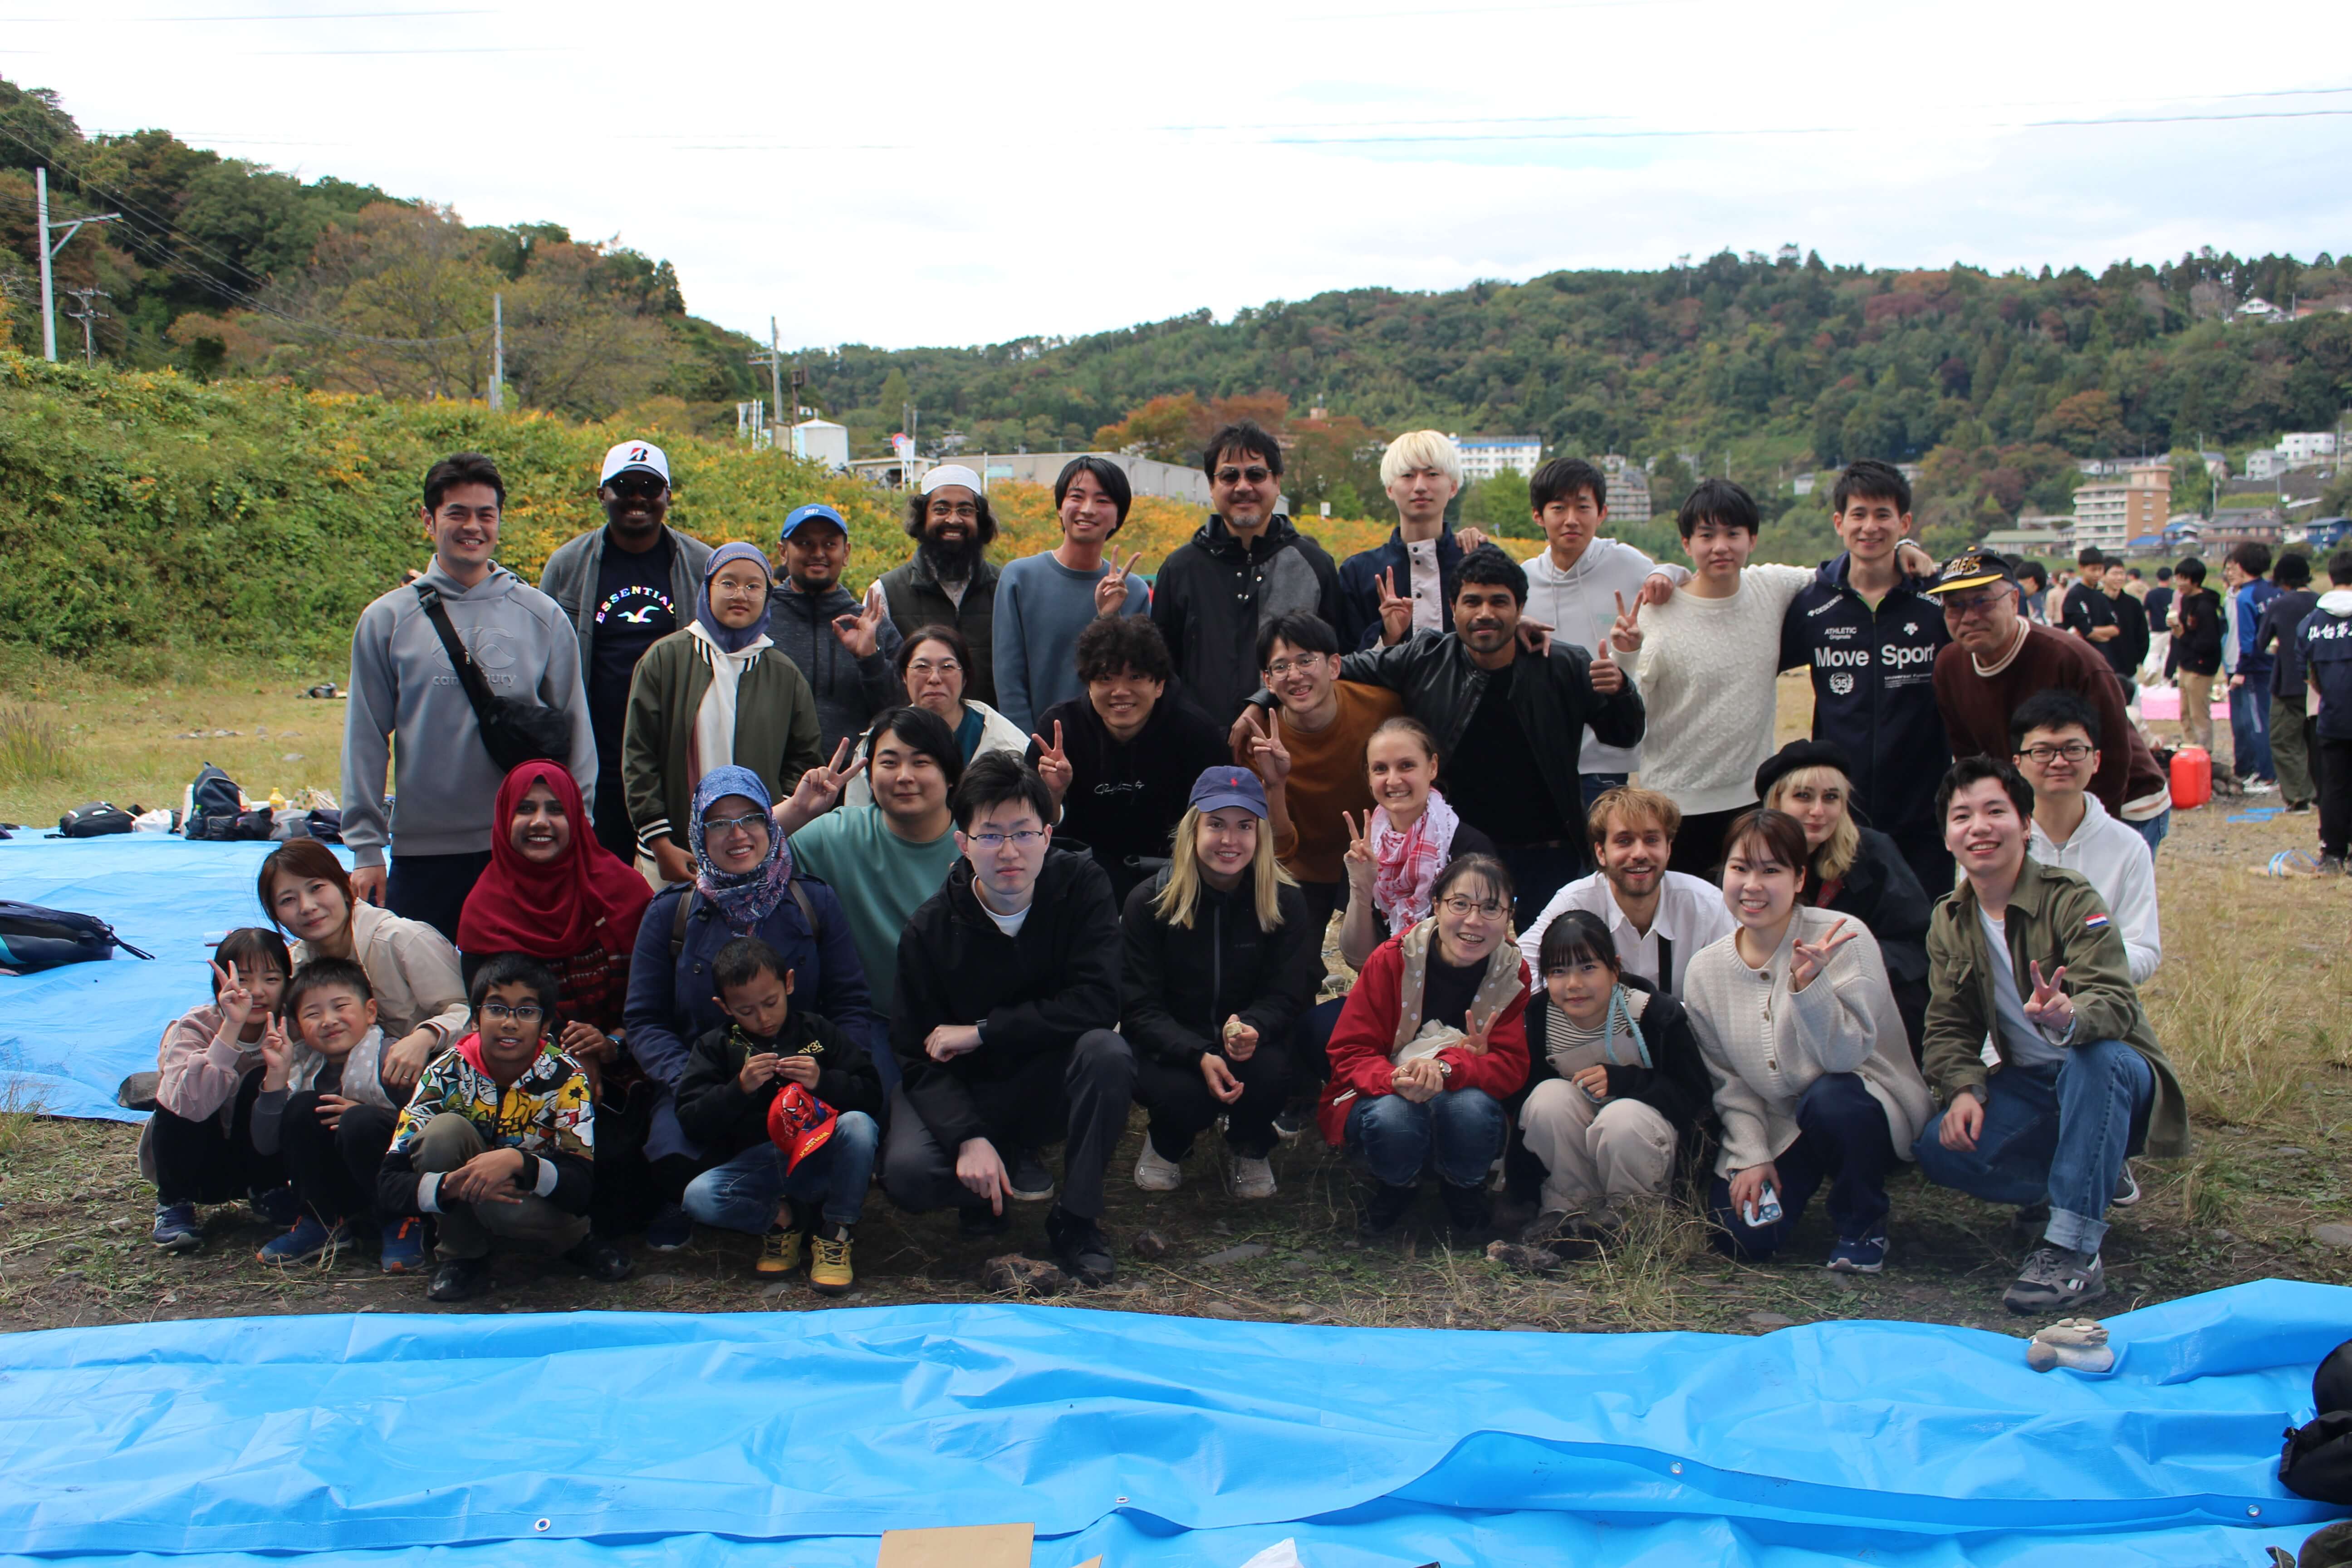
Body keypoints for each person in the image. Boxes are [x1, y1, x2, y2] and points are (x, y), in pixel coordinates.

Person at [1912, 757, 2188, 1314]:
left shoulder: (2071, 897)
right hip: (2033, 1084)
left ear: (2026, 824)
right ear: (1947, 837)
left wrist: (2069, 1017)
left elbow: (2114, 1002)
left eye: (1996, 811)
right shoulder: (1950, 918)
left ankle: (2073, 1253)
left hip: (2114, 1077)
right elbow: (1947, 1025)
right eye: (1962, 816)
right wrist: (1964, 1087)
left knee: (2095, 1060)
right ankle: (2078, 1182)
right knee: (1938, 1149)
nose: (1980, 827)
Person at [883, 755, 1134, 1286]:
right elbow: (914, 1053)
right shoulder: (929, 930)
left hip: (1050, 1073)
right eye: (991, 836)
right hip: (972, 1087)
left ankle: (1077, 1219)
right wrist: (967, 1136)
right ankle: (985, 1184)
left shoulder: (1082, 886)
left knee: (1108, 1054)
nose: (1010, 852)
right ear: (963, 844)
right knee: (909, 1176)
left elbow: (1099, 1003)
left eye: (1023, 833)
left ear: (1048, 834)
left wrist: (984, 1031)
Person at [342, 451, 598, 941]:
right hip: (423, 853)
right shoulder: (387, 621)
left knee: (517, 1001)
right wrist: (367, 849)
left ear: (500, 521)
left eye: (486, 515)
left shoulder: (541, 616)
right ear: (428, 520)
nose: (472, 527)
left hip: (523, 846)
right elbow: (366, 739)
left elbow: (577, 735)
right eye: (457, 513)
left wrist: (578, 831)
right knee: (423, 997)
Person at [1317, 546, 1645, 922]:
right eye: (1472, 602)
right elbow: (1331, 671)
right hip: (1453, 848)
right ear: (1453, 607)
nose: (1485, 614)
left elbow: (1625, 735)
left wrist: (1621, 689)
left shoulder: (1564, 664)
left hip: (1547, 850)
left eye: (1499, 602)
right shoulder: (1425, 657)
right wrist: (1262, 698)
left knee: (1545, 964)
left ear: (1520, 608)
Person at [623, 766, 877, 1250]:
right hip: (707, 1081)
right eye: (718, 824)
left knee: (851, 1134)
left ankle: (815, 1206)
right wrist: (696, 1081)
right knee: (676, 1152)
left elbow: (850, 1003)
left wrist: (831, 1069)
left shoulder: (812, 901)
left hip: (803, 1073)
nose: (737, 835)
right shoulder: (671, 914)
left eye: (750, 819)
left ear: (771, 823)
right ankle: (751, 1205)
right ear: (698, 833)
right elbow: (645, 1019)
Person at [1684, 809, 1932, 1273]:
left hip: (1860, 1097)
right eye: (1740, 868)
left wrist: (1810, 987)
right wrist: (1753, 1154)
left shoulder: (1843, 936)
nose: (1753, 885)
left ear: (1800, 878)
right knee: (1742, 1240)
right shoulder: (1704, 970)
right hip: (1781, 1118)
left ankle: (1863, 1222)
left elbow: (1846, 1056)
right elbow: (1729, 1084)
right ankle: (1798, 1179)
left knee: (1830, 1100)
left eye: (1771, 870)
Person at [377, 954, 631, 1303]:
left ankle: (574, 1243)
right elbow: (389, 1184)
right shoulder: (443, 1073)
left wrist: (517, 1162)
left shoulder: (567, 1077)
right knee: (443, 1131)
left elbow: (582, 1184)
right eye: (496, 1009)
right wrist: (450, 1185)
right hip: (460, 1198)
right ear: (475, 1018)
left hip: (529, 1203)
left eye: (526, 1011)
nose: (510, 1023)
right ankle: (461, 1256)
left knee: (557, 1207)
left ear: (545, 1026)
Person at [1123, 767, 1314, 1200]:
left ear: (1260, 835)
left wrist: (1254, 1027)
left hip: (1247, 1042)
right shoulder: (1148, 902)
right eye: (1216, 824)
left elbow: (1287, 994)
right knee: (1181, 1094)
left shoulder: (1286, 901)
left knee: (1270, 1073)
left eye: (1244, 826)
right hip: (1176, 1045)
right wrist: (1196, 1054)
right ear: (1193, 830)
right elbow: (1138, 1007)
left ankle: (1250, 1141)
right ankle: (1169, 1139)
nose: (1230, 841)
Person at [1319, 854, 1531, 1240]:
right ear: (1436, 905)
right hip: (1383, 1092)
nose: (1474, 921)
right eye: (1460, 904)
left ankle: (1463, 1188)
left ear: (1508, 915)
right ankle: (1396, 1185)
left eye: (1491, 908)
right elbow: (1350, 1053)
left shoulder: (1511, 971)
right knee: (1394, 1115)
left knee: (1472, 1107)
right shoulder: (1392, 959)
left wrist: (1449, 1067)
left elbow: (1511, 1065)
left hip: (1456, 1093)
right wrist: (1396, 1077)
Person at [1623, 479, 1815, 875]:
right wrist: (1626, 653)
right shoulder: (1658, 610)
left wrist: (1904, 550)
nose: (1720, 547)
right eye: (1707, 536)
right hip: (1674, 804)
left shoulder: (1772, 588)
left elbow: (1839, 576)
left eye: (1733, 534)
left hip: (1751, 799)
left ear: (1753, 539)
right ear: (1686, 544)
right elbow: (1628, 704)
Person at [1776, 461, 1951, 892]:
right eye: (1859, 515)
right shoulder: (1812, 605)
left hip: (1923, 810)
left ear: (1904, 522)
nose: (1870, 527)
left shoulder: (1935, 601)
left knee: (1923, 937)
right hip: (1838, 812)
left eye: (1882, 515)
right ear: (1839, 522)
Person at [674, 936, 883, 1294]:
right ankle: (784, 1222)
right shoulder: (715, 1047)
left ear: (788, 983)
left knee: (860, 1124)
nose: (764, 1018)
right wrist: (737, 1089)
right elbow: (691, 1119)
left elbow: (873, 1093)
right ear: (723, 1007)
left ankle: (837, 1231)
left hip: (823, 1152)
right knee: (698, 1197)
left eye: (771, 1003)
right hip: (765, 1164)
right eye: (746, 1011)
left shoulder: (816, 1031)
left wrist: (823, 1081)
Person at [1925, 551, 2173, 852]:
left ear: (2015, 600)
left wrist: (2084, 836)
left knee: (2092, 895)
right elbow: (1970, 758)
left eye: (1982, 601)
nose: (1970, 617)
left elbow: (2113, 757)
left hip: (2125, 799)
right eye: (1955, 607)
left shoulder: (2069, 658)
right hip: (2040, 807)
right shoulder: (1950, 667)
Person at [538, 440, 713, 861]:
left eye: (650, 487)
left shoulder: (702, 565)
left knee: (681, 880)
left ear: (668, 496)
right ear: (602, 494)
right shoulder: (567, 566)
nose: (638, 498)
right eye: (624, 486)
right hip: (594, 756)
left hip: (675, 757)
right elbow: (543, 662)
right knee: (598, 878)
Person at [622, 541, 824, 884]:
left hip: (757, 853)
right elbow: (639, 757)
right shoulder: (665, 659)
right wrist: (659, 841)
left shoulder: (782, 672)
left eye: (753, 586)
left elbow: (803, 757)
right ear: (707, 588)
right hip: (675, 855)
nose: (740, 595)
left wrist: (773, 827)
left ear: (767, 595)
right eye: (728, 583)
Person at [1512, 910, 1712, 1247]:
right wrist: (1520, 1195)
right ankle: (1570, 1210)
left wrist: (1628, 1083)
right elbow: (1522, 1103)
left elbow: (1696, 1100)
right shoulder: (1539, 1017)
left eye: (1588, 968)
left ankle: (1636, 1218)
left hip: (1646, 1143)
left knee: (1621, 1118)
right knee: (1548, 1098)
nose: (1574, 984)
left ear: (1615, 968)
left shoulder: (1656, 1016)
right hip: (1579, 1144)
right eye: (1558, 972)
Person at [1028, 614, 1230, 906]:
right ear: (1089, 684)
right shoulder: (1059, 730)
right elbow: (1027, 825)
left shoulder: (1196, 732)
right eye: (1106, 679)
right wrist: (1054, 794)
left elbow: (1222, 819)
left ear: (1159, 685)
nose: (1120, 691)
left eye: (1135, 677)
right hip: (1080, 880)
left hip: (1175, 879)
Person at [1517, 457, 1684, 810]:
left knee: (1604, 856)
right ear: (1538, 516)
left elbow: (1678, 576)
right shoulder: (1525, 579)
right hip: (1542, 758)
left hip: (1606, 759)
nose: (1571, 520)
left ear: (1602, 513)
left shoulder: (1624, 562)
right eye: (1558, 509)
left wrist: (1667, 574)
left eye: (1583, 507)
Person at [1150, 420, 1342, 724]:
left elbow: (1340, 660)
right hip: (1199, 748)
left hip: (1293, 744)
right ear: (1212, 486)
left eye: (1256, 474)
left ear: (1277, 482)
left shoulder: (1315, 566)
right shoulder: (1180, 569)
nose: (1243, 487)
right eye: (1229, 476)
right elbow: (1160, 670)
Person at [457, 762, 652, 1055]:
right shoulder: (485, 912)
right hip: (528, 1068)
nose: (540, 822)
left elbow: (659, 990)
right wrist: (574, 1059)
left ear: (576, 817)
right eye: (524, 809)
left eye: (556, 809)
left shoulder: (625, 891)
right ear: (504, 817)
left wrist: (612, 1044)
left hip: (637, 1057)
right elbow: (492, 1013)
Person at [1753, 740, 1932, 1056]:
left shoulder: (1874, 853)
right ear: (1776, 802)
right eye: (1803, 796)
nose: (1818, 811)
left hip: (1863, 993)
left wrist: (1845, 969)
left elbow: (1916, 943)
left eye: (1831, 798)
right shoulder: (1749, 858)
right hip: (1778, 994)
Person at [789, 706, 966, 1027]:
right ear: (869, 775)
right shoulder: (838, 835)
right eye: (889, 763)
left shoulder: (983, 841)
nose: (904, 776)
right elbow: (734, 858)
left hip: (965, 1024)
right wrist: (797, 811)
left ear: (951, 775)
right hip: (869, 1023)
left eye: (921, 762)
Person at [1234, 612, 1403, 937]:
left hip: (1380, 858)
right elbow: (1280, 850)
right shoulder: (1257, 742)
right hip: (1303, 869)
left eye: (1306, 661)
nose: (1295, 675)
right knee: (1296, 968)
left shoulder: (1383, 708)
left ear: (1335, 666)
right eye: (1281, 667)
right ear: (1267, 680)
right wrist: (1275, 785)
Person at [260, 840, 469, 1101]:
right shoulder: (295, 965)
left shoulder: (402, 940)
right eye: (288, 900)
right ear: (276, 915)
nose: (307, 907)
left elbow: (471, 1012)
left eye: (317, 888)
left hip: (429, 1086)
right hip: (342, 1091)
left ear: (346, 885)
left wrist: (426, 1037)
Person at [144, 928, 297, 1254]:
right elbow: (191, 1105)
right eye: (242, 979)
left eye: (271, 979)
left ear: (288, 982)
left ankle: (269, 1191)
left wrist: (277, 1075)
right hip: (195, 1158)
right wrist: (231, 1028)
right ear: (220, 982)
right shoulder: (196, 1026)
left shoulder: (293, 1029)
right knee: (184, 1088)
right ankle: (174, 1202)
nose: (256, 991)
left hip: (256, 1156)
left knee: (263, 1080)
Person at [248, 957, 408, 1266]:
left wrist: (369, 1116)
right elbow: (266, 1144)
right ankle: (322, 1222)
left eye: (340, 1007)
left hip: (395, 1183)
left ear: (370, 1011)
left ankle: (401, 1223)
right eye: (313, 1013)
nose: (328, 1020)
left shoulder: (392, 1057)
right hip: (345, 1188)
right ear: (297, 1026)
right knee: (301, 1106)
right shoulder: (303, 1066)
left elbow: (425, 1130)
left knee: (359, 1121)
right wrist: (278, 1074)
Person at [1517, 785, 1732, 998]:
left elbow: (1739, 977)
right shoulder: (1575, 901)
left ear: (1668, 849)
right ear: (1601, 852)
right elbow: (1518, 972)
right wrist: (1574, 1008)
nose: (1639, 854)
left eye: (1651, 840)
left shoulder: (1705, 903)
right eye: (1624, 841)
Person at [2010, 690, 2162, 983]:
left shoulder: (2128, 847)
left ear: (2096, 760)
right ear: (2018, 762)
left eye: (2073, 750)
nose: (2058, 762)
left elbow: (2142, 948)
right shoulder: (1998, 843)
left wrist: (2082, 973)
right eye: (2042, 751)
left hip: (2098, 1004)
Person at [990, 456, 1149, 734]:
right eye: (1077, 497)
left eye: (1102, 501)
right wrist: (1027, 749)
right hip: (1036, 747)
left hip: (1108, 745)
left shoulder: (1132, 590)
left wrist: (1110, 618)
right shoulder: (1019, 578)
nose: (1088, 509)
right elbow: (1009, 679)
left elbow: (1136, 680)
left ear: (1118, 517)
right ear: (1060, 509)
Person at [1335, 717, 1499, 971]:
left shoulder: (1470, 848)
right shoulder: (1363, 847)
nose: (1393, 780)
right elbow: (1358, 961)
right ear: (1368, 776)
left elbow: (1481, 949)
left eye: (1406, 766)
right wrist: (1361, 889)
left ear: (1432, 767)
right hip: (1384, 985)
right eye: (1380, 769)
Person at [1331, 430, 1489, 650]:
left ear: (1453, 487)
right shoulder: (1358, 573)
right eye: (1408, 476)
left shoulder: (1481, 560)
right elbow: (1344, 664)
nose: (1420, 486)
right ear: (1389, 489)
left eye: (1432, 474)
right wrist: (1387, 637)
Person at [769, 502, 905, 756]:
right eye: (805, 543)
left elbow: (903, 708)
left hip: (855, 783)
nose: (818, 553)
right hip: (775, 782)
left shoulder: (872, 624)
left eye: (830, 544)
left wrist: (870, 659)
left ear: (846, 553)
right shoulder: (761, 620)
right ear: (783, 552)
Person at [844, 626, 1026, 806]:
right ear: (904, 676)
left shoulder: (1005, 741)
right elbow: (856, 816)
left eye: (947, 667)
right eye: (922, 667)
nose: (934, 678)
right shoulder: (878, 741)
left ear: (965, 677)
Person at [875, 465, 1002, 709]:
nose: (953, 520)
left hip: (993, 740)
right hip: (917, 739)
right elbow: (879, 680)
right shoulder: (885, 592)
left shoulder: (1007, 588)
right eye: (941, 510)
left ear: (980, 519)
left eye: (965, 510)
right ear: (923, 518)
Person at [2297, 550, 2352, 876]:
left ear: (2330, 577)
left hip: (2331, 717)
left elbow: (2305, 672)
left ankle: (2333, 853)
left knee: (2333, 786)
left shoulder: (2311, 623)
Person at [2256, 551, 2323, 814]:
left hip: (2288, 683)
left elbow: (2261, 643)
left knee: (2286, 740)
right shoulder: (2322, 602)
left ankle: (2298, 797)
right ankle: (2321, 793)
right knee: (2316, 741)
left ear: (2283, 580)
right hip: (2320, 684)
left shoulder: (2280, 604)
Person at [2226, 542, 2282, 788]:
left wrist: (2240, 670)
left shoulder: (2245, 596)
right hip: (2278, 662)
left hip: (2256, 667)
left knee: (2258, 721)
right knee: (2275, 718)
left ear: (2240, 565)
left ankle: (2267, 773)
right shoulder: (2274, 589)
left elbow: (2248, 640)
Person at [2169, 555, 2225, 757]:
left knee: (2199, 714)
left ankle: (2204, 753)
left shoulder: (2205, 607)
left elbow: (2208, 642)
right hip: (2186, 663)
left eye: (2184, 578)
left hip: (2201, 667)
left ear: (2195, 580)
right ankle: (2189, 748)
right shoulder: (2186, 600)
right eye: (2178, 578)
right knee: (2185, 713)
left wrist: (2182, 634)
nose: (2180, 583)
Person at [2060, 547, 2121, 669]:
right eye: (2093, 570)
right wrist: (2098, 633)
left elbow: (2115, 629)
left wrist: (2091, 632)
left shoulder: (2100, 595)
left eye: (2100, 569)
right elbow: (2086, 632)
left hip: (2103, 658)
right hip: (2081, 658)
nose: (2097, 574)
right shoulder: (2075, 594)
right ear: (2082, 568)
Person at [2101, 559, 2151, 702]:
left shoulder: (2133, 604)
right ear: (2103, 576)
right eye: (2114, 573)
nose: (2119, 578)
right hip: (2104, 667)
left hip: (2128, 667)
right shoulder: (2097, 601)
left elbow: (2143, 634)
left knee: (2133, 712)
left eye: (2122, 573)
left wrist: (2138, 659)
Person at [2141, 565, 2175, 686]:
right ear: (2170, 578)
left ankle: (2152, 670)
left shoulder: (2151, 594)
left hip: (2156, 629)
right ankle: (2165, 679)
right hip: (2170, 629)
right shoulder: (2173, 594)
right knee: (2168, 654)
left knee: (2153, 653)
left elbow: (2144, 610)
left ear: (2157, 578)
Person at [2015, 560, 2050, 625]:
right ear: (2032, 581)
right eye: (2036, 590)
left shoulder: (2006, 586)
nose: (2033, 594)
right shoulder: (2020, 596)